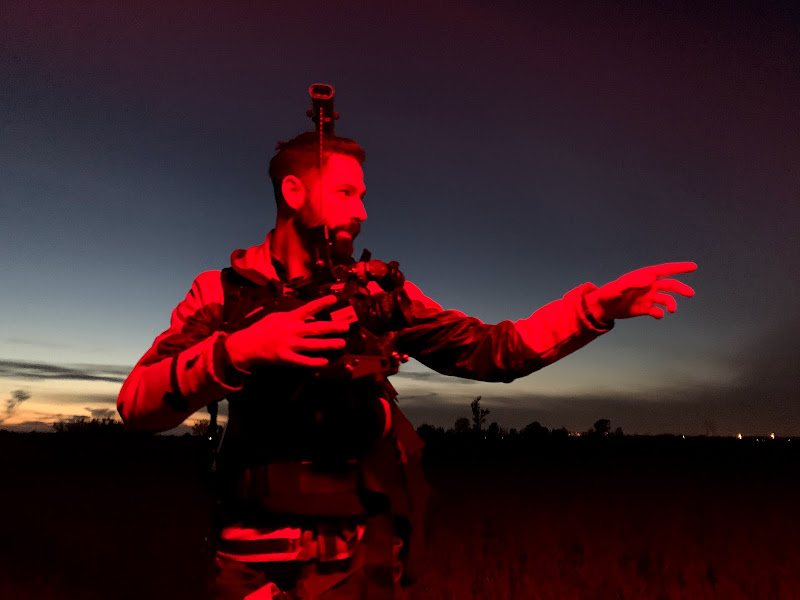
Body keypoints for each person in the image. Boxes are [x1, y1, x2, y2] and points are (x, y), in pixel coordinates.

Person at [117, 129, 696, 599]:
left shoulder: (377, 294)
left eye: (363, 195)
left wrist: (592, 308)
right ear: (294, 192)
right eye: (347, 193)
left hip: (360, 559)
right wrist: (241, 349)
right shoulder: (220, 294)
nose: (362, 211)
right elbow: (136, 405)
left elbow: (493, 350)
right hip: (250, 562)